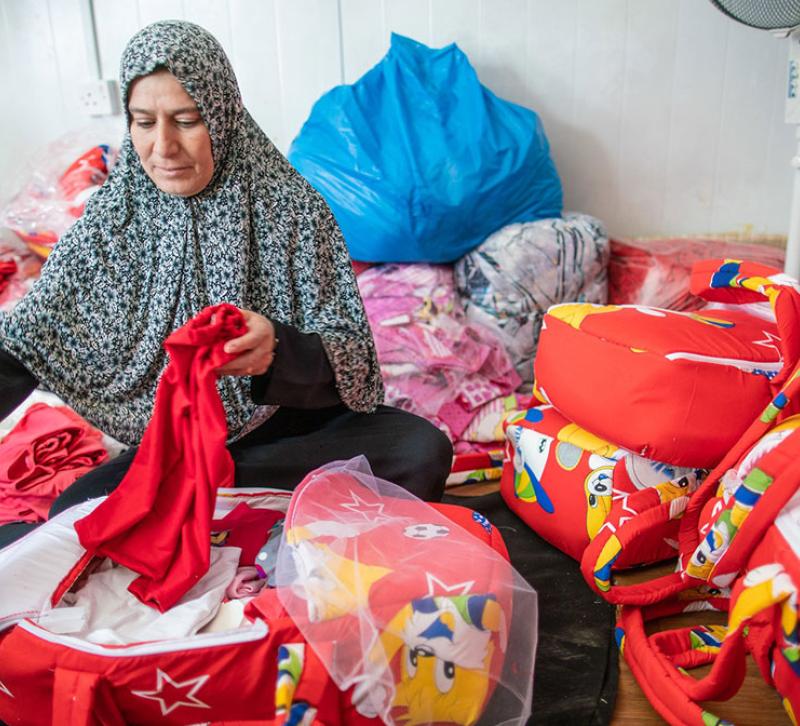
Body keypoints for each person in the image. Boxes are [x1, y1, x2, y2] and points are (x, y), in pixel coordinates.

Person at [0, 20, 452, 547]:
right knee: (74, 510)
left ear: (222, 114)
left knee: (420, 449)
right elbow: (26, 342)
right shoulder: (110, 225)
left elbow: (353, 360)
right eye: (143, 123)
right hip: (175, 452)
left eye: (186, 120)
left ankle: (220, 516)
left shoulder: (292, 211)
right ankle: (258, 518)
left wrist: (279, 350)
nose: (163, 146)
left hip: (287, 439)